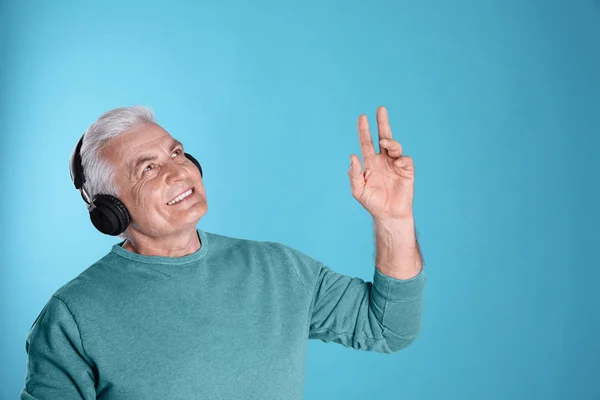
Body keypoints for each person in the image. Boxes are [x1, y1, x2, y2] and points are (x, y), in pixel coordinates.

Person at [20, 105, 426, 400]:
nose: (179, 172)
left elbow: (389, 328)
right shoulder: (72, 316)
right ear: (110, 211)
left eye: (177, 153)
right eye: (148, 168)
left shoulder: (279, 269)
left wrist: (393, 219)